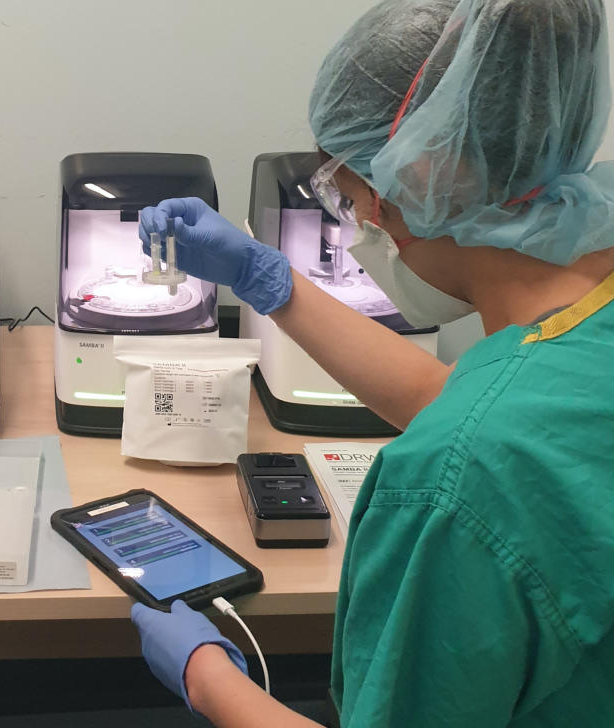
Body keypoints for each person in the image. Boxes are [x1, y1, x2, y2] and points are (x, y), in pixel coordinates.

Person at [130, 1, 614, 726]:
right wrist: (270, 280)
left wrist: (208, 679)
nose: (361, 227)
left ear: (420, 176)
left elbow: (471, 446)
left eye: (351, 198)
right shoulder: (575, 332)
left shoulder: (453, 485)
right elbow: (466, 403)